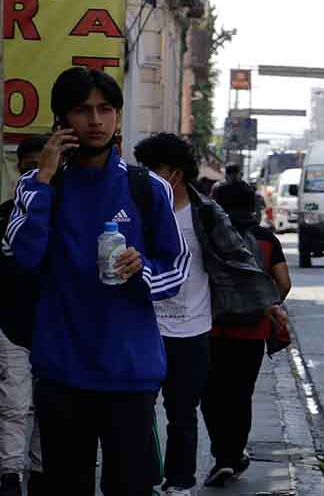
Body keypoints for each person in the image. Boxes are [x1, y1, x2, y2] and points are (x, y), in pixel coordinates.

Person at [1, 67, 190, 495]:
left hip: (130, 373)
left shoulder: (148, 188)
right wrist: (45, 177)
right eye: (83, 110)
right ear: (61, 121)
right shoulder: (39, 187)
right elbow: (23, 256)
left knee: (131, 488)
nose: (96, 120)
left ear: (118, 118)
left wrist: (142, 271)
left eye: (106, 109)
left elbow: (176, 270)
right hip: (61, 373)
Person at [133, 133, 285, 495]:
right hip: (144, 326)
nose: (148, 179)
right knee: (137, 411)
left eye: (156, 172)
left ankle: (180, 481)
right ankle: (145, 478)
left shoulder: (206, 212)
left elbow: (238, 262)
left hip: (194, 328)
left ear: (175, 173)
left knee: (182, 413)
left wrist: (266, 302)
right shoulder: (140, 210)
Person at [202, 186, 290, 488]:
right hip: (252, 331)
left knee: (211, 394)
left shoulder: (208, 234)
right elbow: (284, 282)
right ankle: (234, 453)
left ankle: (223, 456)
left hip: (210, 328)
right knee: (240, 394)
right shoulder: (266, 239)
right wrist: (265, 304)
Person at [0, 136, 48, 496]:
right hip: (11, 326)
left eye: (42, 164)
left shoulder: (63, 216)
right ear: (19, 169)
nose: (36, 171)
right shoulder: (3, 215)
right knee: (15, 404)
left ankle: (41, 471)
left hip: (55, 328)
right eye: (29, 165)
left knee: (48, 408)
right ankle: (11, 475)